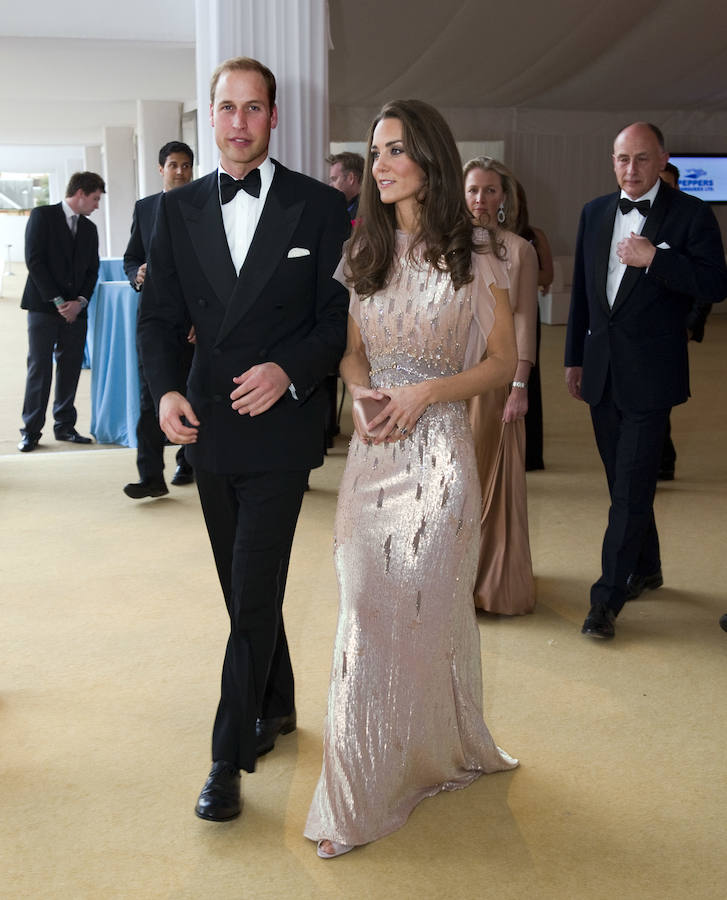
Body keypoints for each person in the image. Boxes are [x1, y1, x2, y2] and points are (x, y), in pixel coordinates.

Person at [137, 56, 350, 821]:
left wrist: (286, 370)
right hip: (207, 426)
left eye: (252, 108)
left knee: (252, 588)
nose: (237, 122)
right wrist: (163, 388)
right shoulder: (175, 210)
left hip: (282, 431)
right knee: (242, 588)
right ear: (210, 115)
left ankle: (227, 757)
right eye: (225, 108)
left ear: (272, 117)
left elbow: (337, 321)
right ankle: (280, 699)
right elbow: (158, 317)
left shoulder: (321, 208)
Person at [305, 100, 519, 859]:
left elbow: (500, 363)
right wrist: (361, 393)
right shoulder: (362, 250)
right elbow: (352, 351)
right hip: (371, 455)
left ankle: (429, 756)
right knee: (364, 612)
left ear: (429, 156)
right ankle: (359, 790)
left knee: (423, 619)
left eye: (396, 148)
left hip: (437, 461)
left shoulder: (477, 252)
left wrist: (425, 393)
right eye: (375, 150)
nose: (382, 162)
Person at [565, 122, 727, 640]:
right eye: (620, 159)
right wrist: (574, 358)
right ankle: (648, 567)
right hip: (602, 369)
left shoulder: (692, 215)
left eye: (640, 159)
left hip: (652, 376)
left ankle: (606, 598)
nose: (629, 169)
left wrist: (655, 258)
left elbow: (714, 283)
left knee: (631, 490)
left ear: (662, 160)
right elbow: (583, 297)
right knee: (623, 482)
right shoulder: (593, 212)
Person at [463, 157, 538, 615]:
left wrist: (519, 384)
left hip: (495, 378)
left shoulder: (519, 250)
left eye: (491, 191)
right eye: (474, 190)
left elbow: (526, 318)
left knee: (490, 477)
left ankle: (490, 582)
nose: (481, 200)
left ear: (504, 199)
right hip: (450, 377)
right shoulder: (446, 246)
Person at [122, 141, 196, 499]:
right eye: (173, 165)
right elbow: (131, 257)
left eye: (186, 165)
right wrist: (136, 274)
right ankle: (151, 475)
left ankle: (189, 462)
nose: (180, 171)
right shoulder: (145, 208)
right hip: (152, 319)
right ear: (160, 169)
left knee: (191, 392)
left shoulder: (203, 205)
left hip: (194, 322)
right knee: (150, 396)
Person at [18, 171, 105, 452]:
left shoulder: (89, 230)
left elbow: (93, 270)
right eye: (94, 199)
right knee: (39, 368)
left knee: (70, 368)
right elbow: (34, 260)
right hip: (43, 307)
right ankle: (31, 430)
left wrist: (80, 301)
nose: (96, 206)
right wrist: (57, 302)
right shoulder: (42, 216)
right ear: (80, 193)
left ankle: (65, 426)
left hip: (76, 312)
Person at [656, 160, 712, 481]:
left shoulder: (691, 222)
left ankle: (663, 458)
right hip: (639, 328)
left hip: (675, 327)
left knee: (661, 395)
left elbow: (706, 282)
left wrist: (692, 323)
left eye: (668, 184)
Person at [514, 180, 553, 472]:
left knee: (528, 380)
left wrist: (519, 277)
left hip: (526, 312)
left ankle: (531, 454)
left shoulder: (533, 235)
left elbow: (546, 275)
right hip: (493, 314)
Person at [326, 151, 364, 222]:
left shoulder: (367, 212)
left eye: (334, 179)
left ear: (351, 178)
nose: (330, 185)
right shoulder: (345, 207)